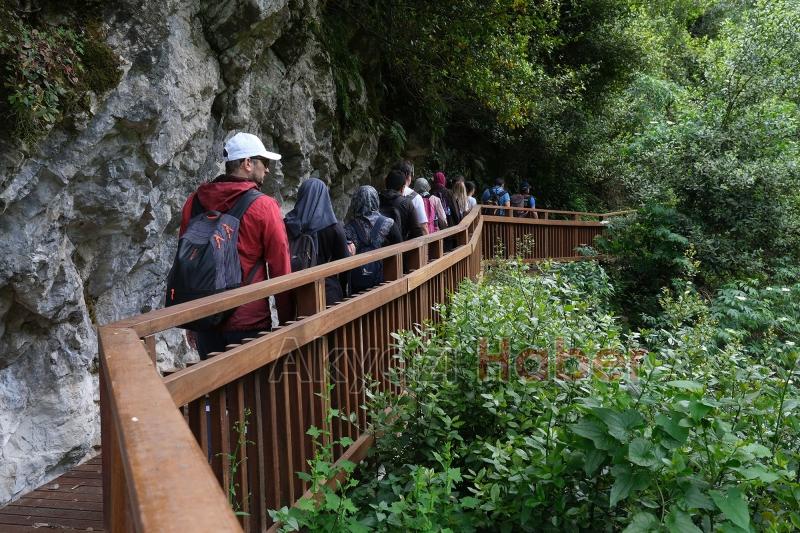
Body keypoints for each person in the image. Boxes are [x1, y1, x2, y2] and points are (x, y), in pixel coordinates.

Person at [178, 132, 291, 359]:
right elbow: (280, 267)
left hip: (206, 317)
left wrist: (191, 321)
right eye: (264, 162)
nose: (267, 170)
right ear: (248, 163)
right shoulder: (264, 206)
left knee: (215, 382)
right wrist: (288, 320)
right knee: (253, 382)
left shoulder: (194, 202)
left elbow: (186, 263)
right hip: (248, 321)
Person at [284, 178, 352, 306]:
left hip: (298, 291)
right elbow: (344, 265)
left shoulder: (288, 224)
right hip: (327, 292)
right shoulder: (334, 228)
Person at [345, 185, 402, 293]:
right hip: (384, 282)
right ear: (376, 200)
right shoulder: (388, 223)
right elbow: (400, 247)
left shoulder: (348, 227)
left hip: (358, 285)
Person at [379, 169, 422, 241]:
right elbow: (417, 231)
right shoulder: (406, 203)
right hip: (402, 245)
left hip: (378, 246)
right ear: (403, 188)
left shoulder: (377, 200)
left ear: (386, 184)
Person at [393, 160, 429, 236]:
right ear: (407, 175)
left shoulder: (384, 195)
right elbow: (423, 227)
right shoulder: (416, 197)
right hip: (409, 242)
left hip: (388, 242)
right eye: (411, 174)